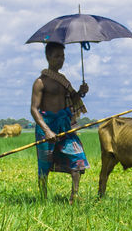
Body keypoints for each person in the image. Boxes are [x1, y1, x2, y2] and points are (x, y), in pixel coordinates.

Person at [30, 41, 90, 202]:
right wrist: (47, 130)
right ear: (48, 57)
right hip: (46, 126)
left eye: (62, 56)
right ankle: (43, 198)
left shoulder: (63, 80)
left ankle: (74, 195)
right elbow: (34, 109)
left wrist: (81, 92)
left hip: (64, 125)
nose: (61, 60)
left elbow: (73, 99)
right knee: (44, 164)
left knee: (77, 157)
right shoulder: (40, 82)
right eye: (57, 56)